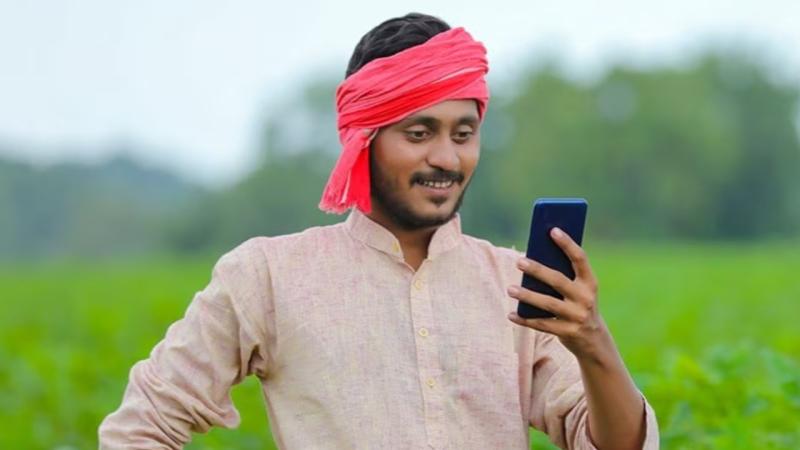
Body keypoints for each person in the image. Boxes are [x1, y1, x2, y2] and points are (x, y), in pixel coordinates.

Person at [99, 12, 659, 450]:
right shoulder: (268, 276)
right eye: (419, 133)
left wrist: (592, 341)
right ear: (362, 139)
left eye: (463, 134)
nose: (447, 158)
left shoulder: (515, 282)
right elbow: (141, 428)